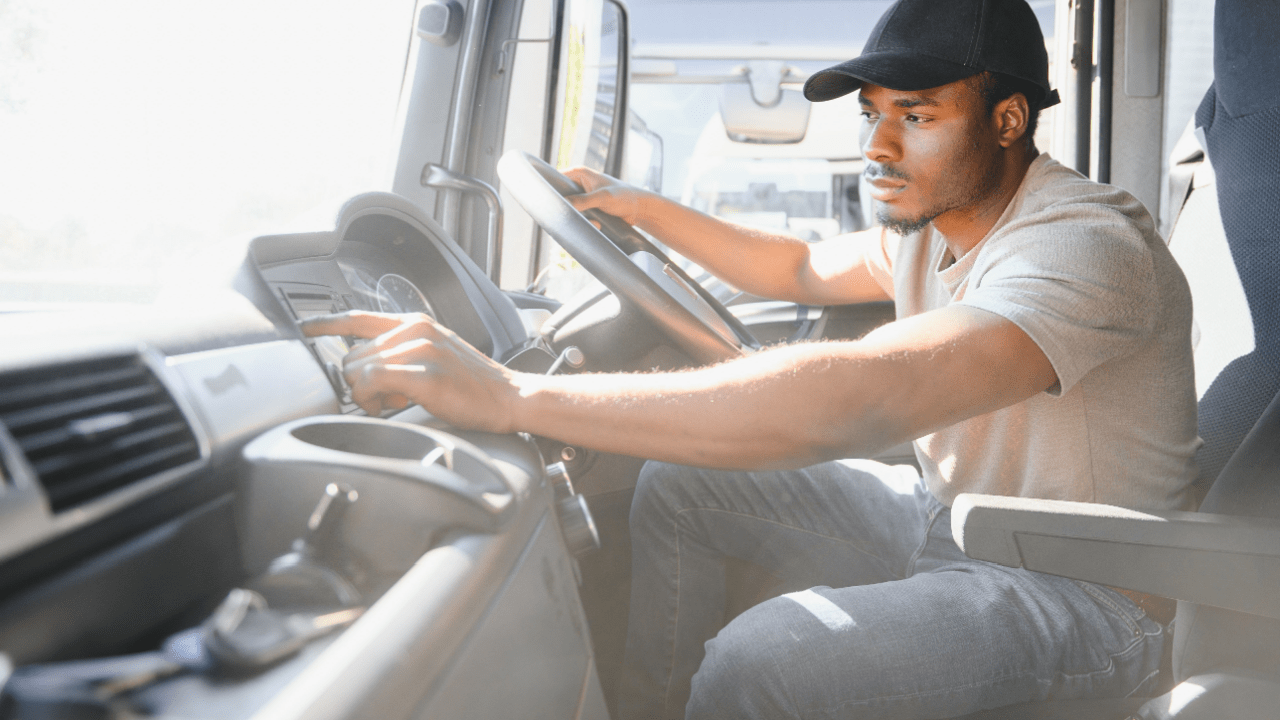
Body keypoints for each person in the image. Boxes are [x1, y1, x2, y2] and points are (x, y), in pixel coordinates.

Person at [302, 0, 1200, 716]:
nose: (876, 146)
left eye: (916, 116)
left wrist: (512, 395)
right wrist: (640, 207)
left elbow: (869, 398)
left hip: (1089, 587)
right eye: (873, 114)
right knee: (683, 488)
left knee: (762, 662)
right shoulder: (940, 223)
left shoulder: (1085, 246)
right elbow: (801, 265)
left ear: (1008, 119)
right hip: (961, 521)